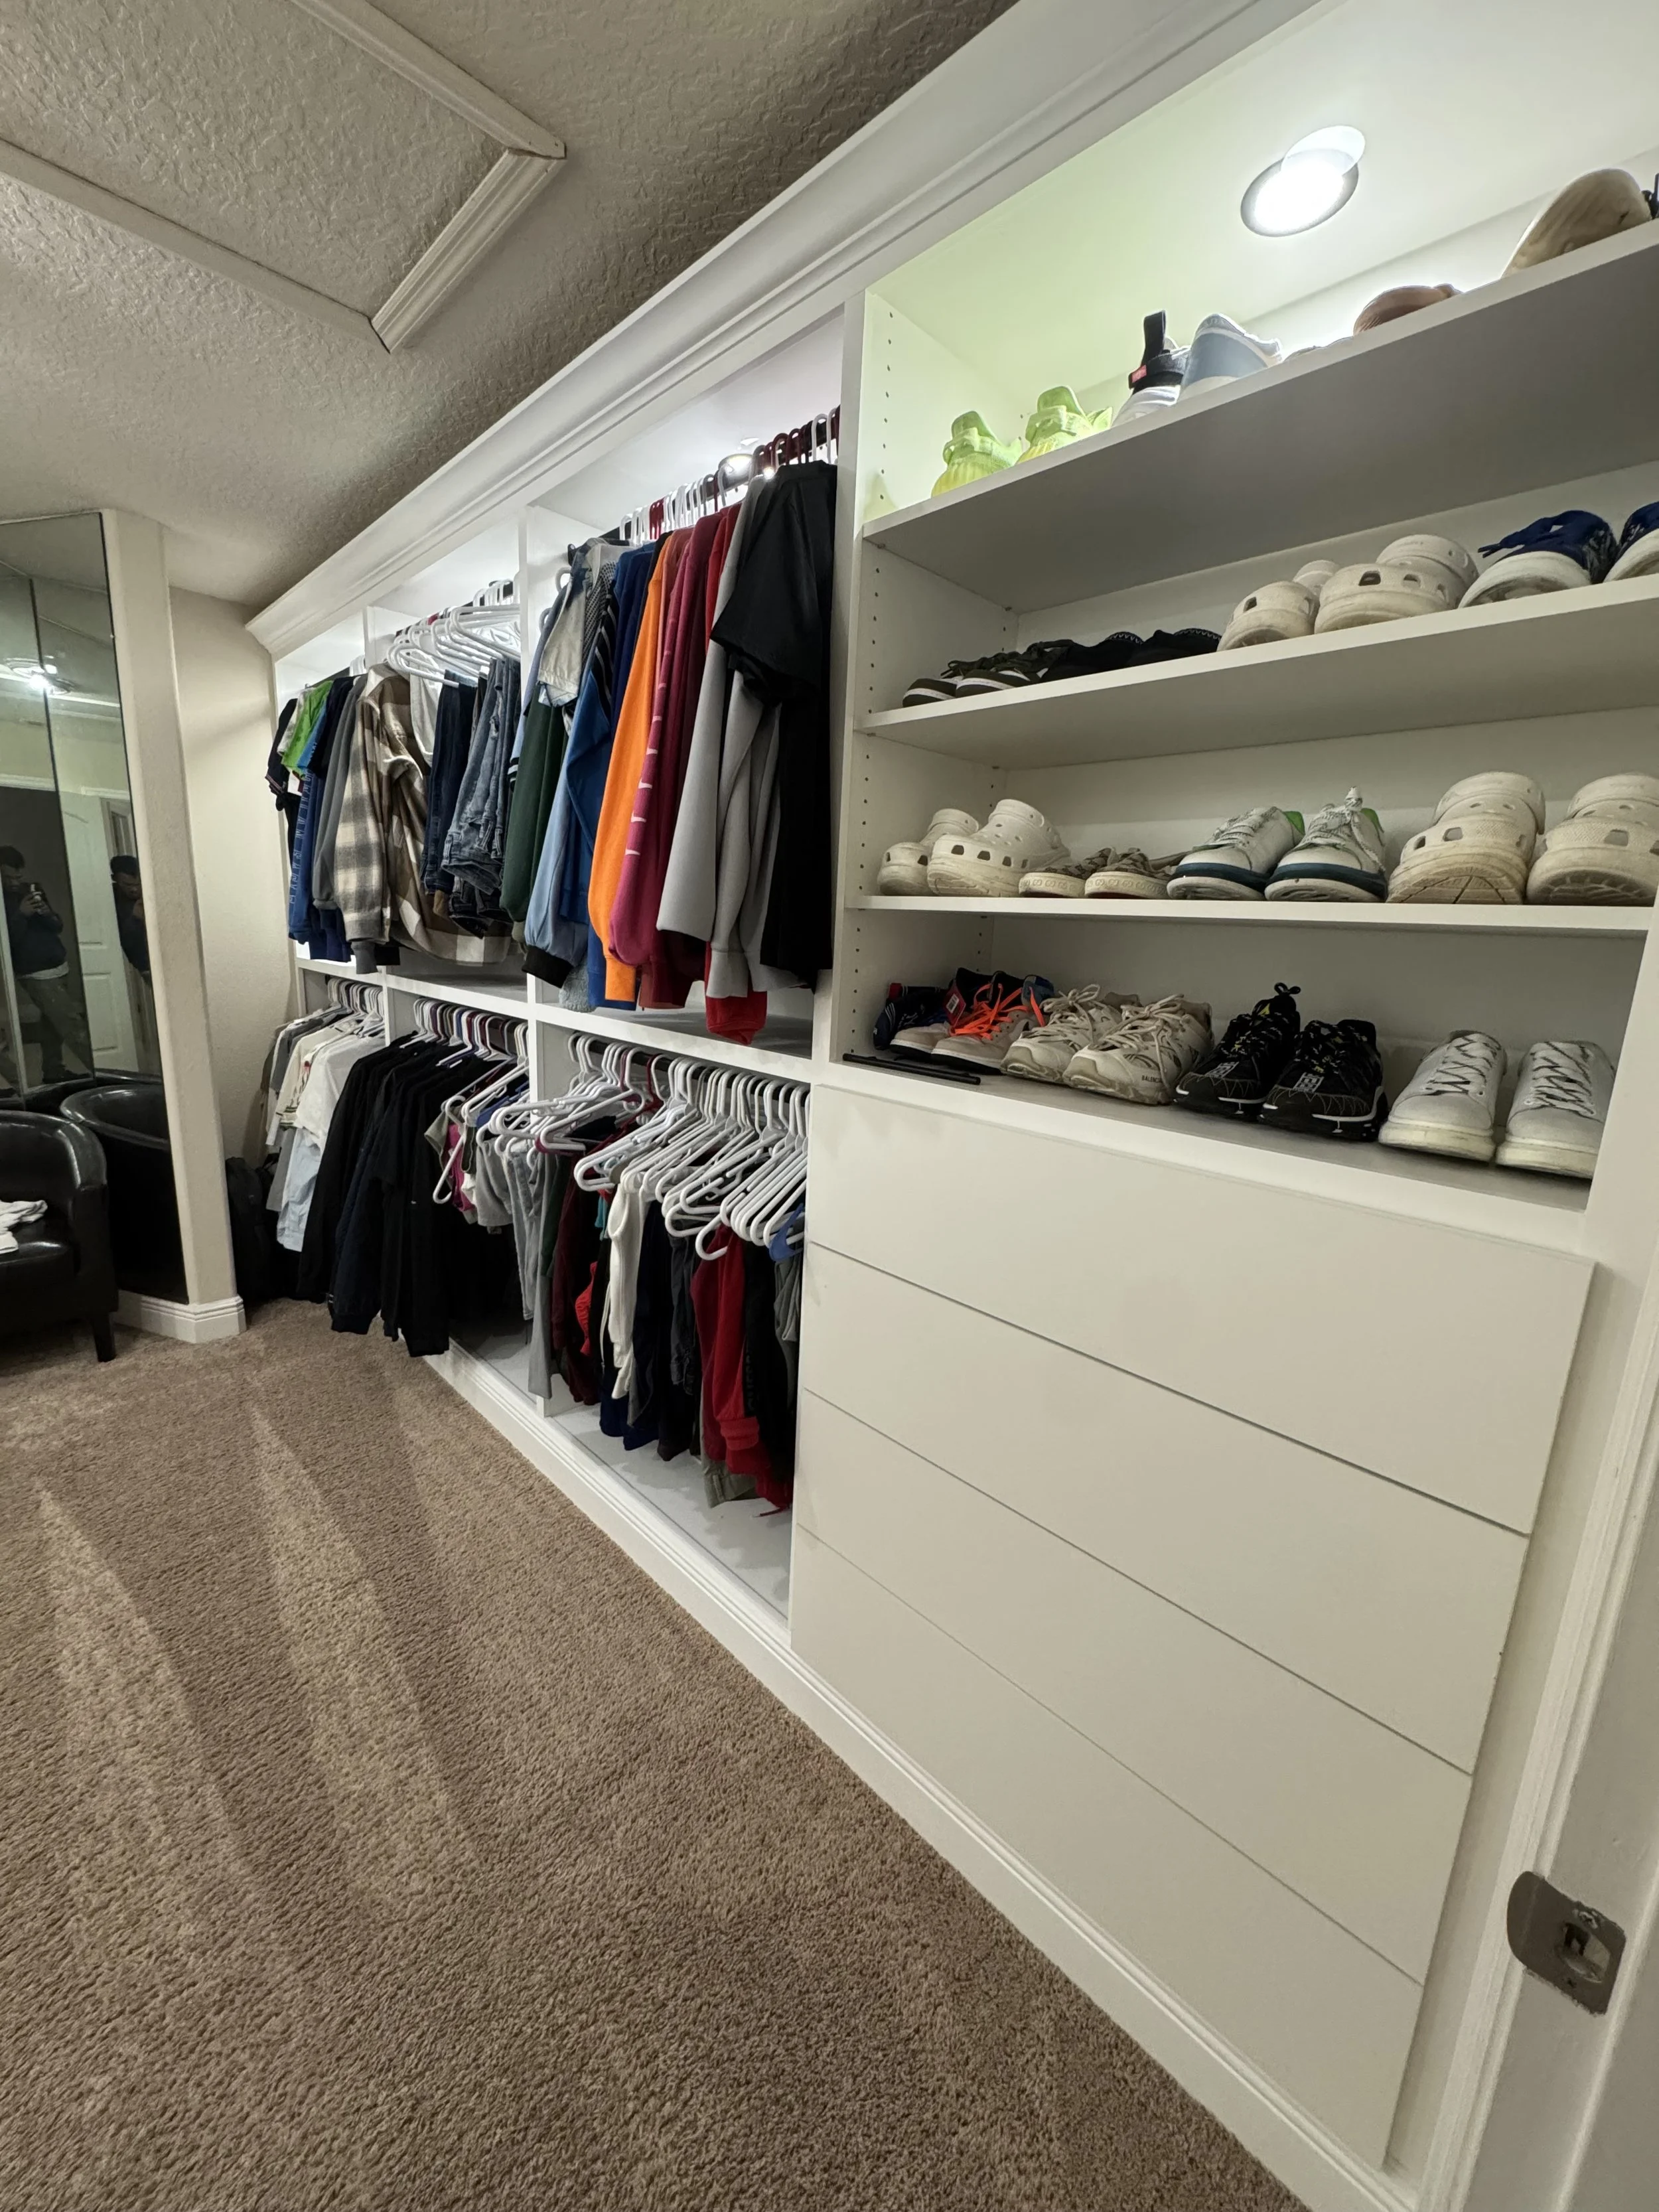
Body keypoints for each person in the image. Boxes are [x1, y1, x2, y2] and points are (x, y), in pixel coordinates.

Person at [0, 844, 94, 1084]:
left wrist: (47, 913)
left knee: (53, 1026)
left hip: (59, 964)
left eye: (18, 876)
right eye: (9, 878)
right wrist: (22, 914)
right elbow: (7, 943)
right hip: (35, 973)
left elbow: (57, 926)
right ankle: (104, 1077)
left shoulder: (32, 890)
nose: (15, 882)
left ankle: (54, 1071)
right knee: (73, 1026)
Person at [110, 854, 151, 978]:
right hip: (133, 965)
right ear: (114, 879)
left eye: (137, 884)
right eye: (127, 885)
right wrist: (135, 918)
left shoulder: (151, 891)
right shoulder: (111, 898)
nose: (134, 889)